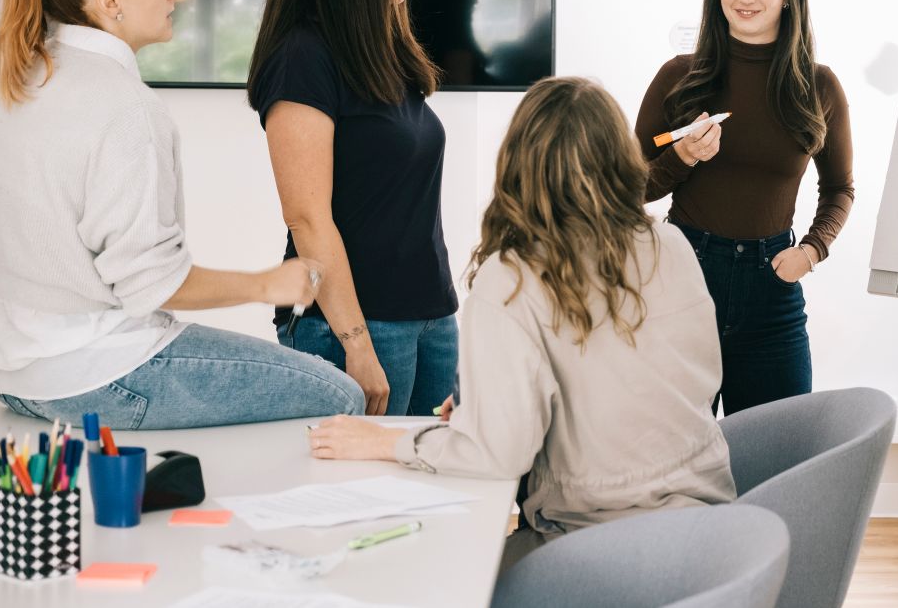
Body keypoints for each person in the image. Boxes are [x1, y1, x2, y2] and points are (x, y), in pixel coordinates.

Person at [308, 77, 736, 568]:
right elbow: (660, 379)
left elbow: (499, 456)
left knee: (434, 570)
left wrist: (386, 441)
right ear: (621, 156)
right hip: (712, 534)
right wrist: (493, 405)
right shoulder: (671, 245)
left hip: (599, 548)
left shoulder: (512, 277)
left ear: (518, 164)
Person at [0, 0, 365, 428]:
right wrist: (268, 284)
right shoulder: (125, 107)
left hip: (19, 380)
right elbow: (149, 286)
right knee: (341, 394)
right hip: (100, 373)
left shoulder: (20, 80)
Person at [247, 0, 459, 417]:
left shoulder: (385, 53)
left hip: (430, 314)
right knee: (366, 495)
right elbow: (307, 218)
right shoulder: (302, 58)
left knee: (435, 486)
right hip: (357, 325)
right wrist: (356, 345)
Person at [634, 0, 854, 416]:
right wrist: (680, 158)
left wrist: (813, 250)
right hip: (683, 280)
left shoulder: (818, 87)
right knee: (672, 466)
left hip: (772, 293)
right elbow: (627, 188)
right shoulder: (678, 76)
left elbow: (840, 188)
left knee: (776, 466)